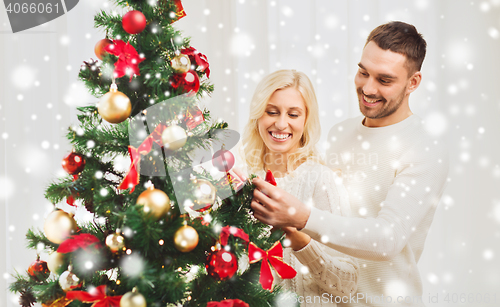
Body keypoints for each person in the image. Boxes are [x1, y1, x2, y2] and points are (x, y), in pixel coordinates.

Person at [250, 22, 449, 307]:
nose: (368, 88)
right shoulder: (341, 133)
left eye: (384, 80)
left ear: (413, 83)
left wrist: (300, 216)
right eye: (363, 72)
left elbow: (388, 239)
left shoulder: (425, 148)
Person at [240, 69, 359, 306]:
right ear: (258, 116)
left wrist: (299, 241)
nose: (281, 123)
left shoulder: (322, 180)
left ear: (306, 120)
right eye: (271, 112)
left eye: (293, 114)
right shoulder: (243, 182)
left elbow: (347, 285)